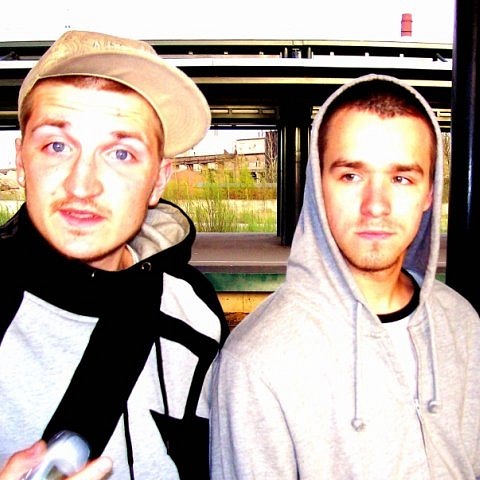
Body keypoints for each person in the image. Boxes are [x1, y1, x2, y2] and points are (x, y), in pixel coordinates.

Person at [209, 74, 480, 479]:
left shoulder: (463, 323)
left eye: (401, 178)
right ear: (318, 187)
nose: (376, 205)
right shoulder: (257, 360)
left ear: (429, 193)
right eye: (351, 175)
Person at [0, 30, 229, 480]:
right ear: (22, 160)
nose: (82, 185)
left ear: (159, 180)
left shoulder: (194, 309)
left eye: (121, 153)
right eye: (57, 146)